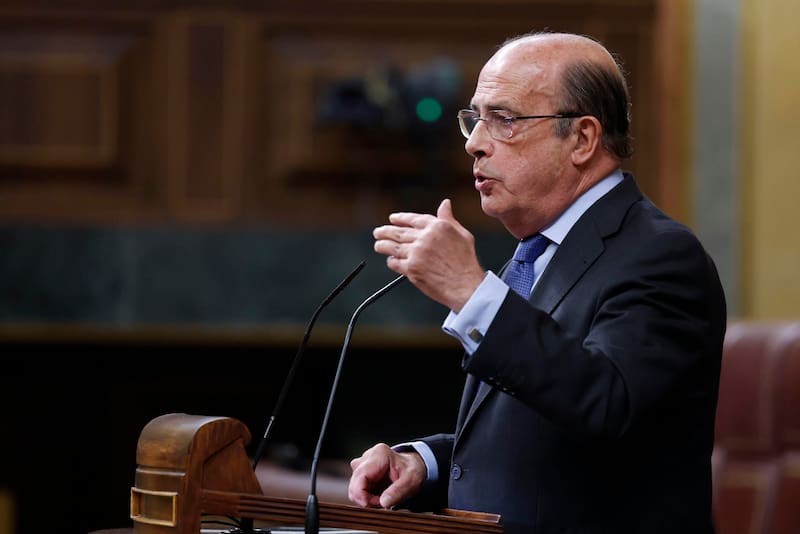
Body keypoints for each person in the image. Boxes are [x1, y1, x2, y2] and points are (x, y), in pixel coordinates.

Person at [346, 30, 727, 534]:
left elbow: (608, 407)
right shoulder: (535, 256)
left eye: (503, 120)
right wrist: (425, 464)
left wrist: (472, 291)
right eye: (474, 119)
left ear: (583, 139)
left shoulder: (660, 255)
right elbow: (537, 437)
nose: (475, 145)